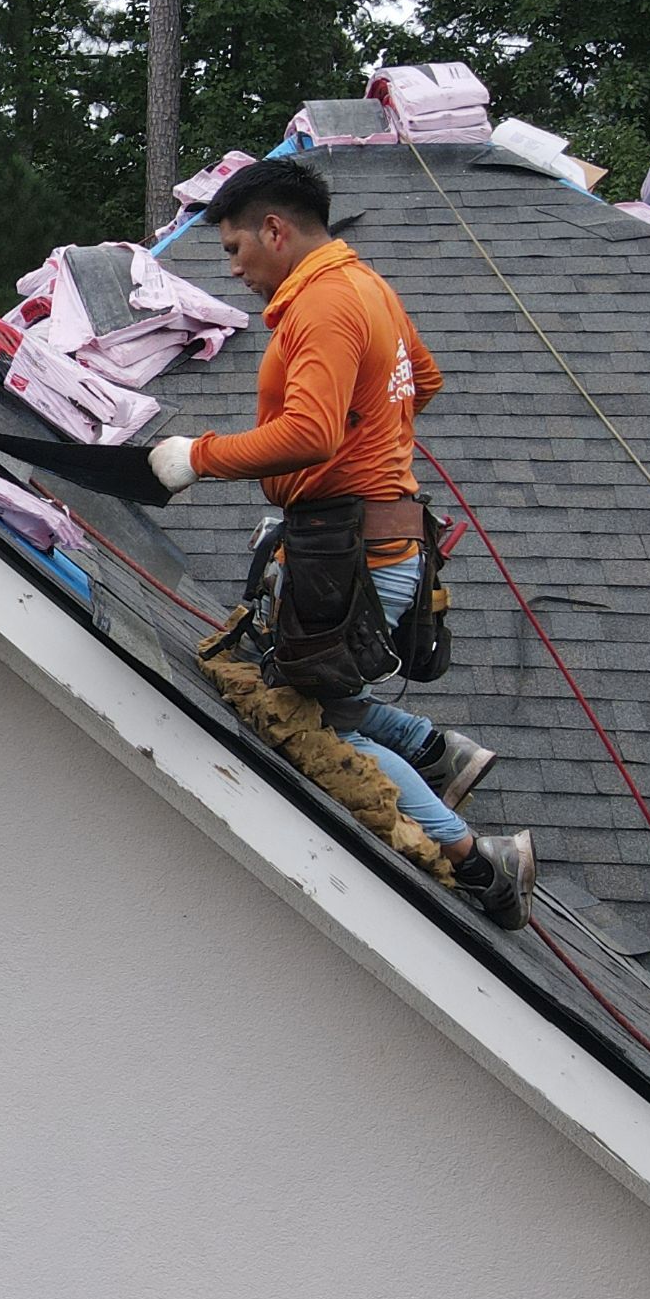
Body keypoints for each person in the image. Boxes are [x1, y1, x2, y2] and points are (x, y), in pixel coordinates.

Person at [144, 158, 534, 930]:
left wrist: (197, 458)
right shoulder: (367, 285)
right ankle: (436, 751)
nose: (235, 269)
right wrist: (369, 437)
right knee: (313, 691)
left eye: (233, 249)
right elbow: (420, 380)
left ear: (275, 230)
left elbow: (310, 431)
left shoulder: (321, 304)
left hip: (349, 559)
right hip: (383, 542)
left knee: (311, 726)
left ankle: (484, 865)